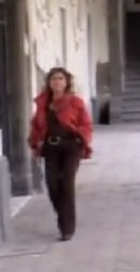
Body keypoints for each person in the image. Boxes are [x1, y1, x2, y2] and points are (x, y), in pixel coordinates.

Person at [27, 67, 94, 241]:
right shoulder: (43, 103)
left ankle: (67, 228)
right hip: (51, 147)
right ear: (49, 82)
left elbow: (86, 124)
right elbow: (36, 125)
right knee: (52, 185)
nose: (57, 82)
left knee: (67, 183)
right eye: (53, 79)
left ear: (66, 82)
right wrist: (36, 141)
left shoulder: (75, 102)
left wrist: (81, 139)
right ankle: (64, 215)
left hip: (70, 146)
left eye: (61, 79)